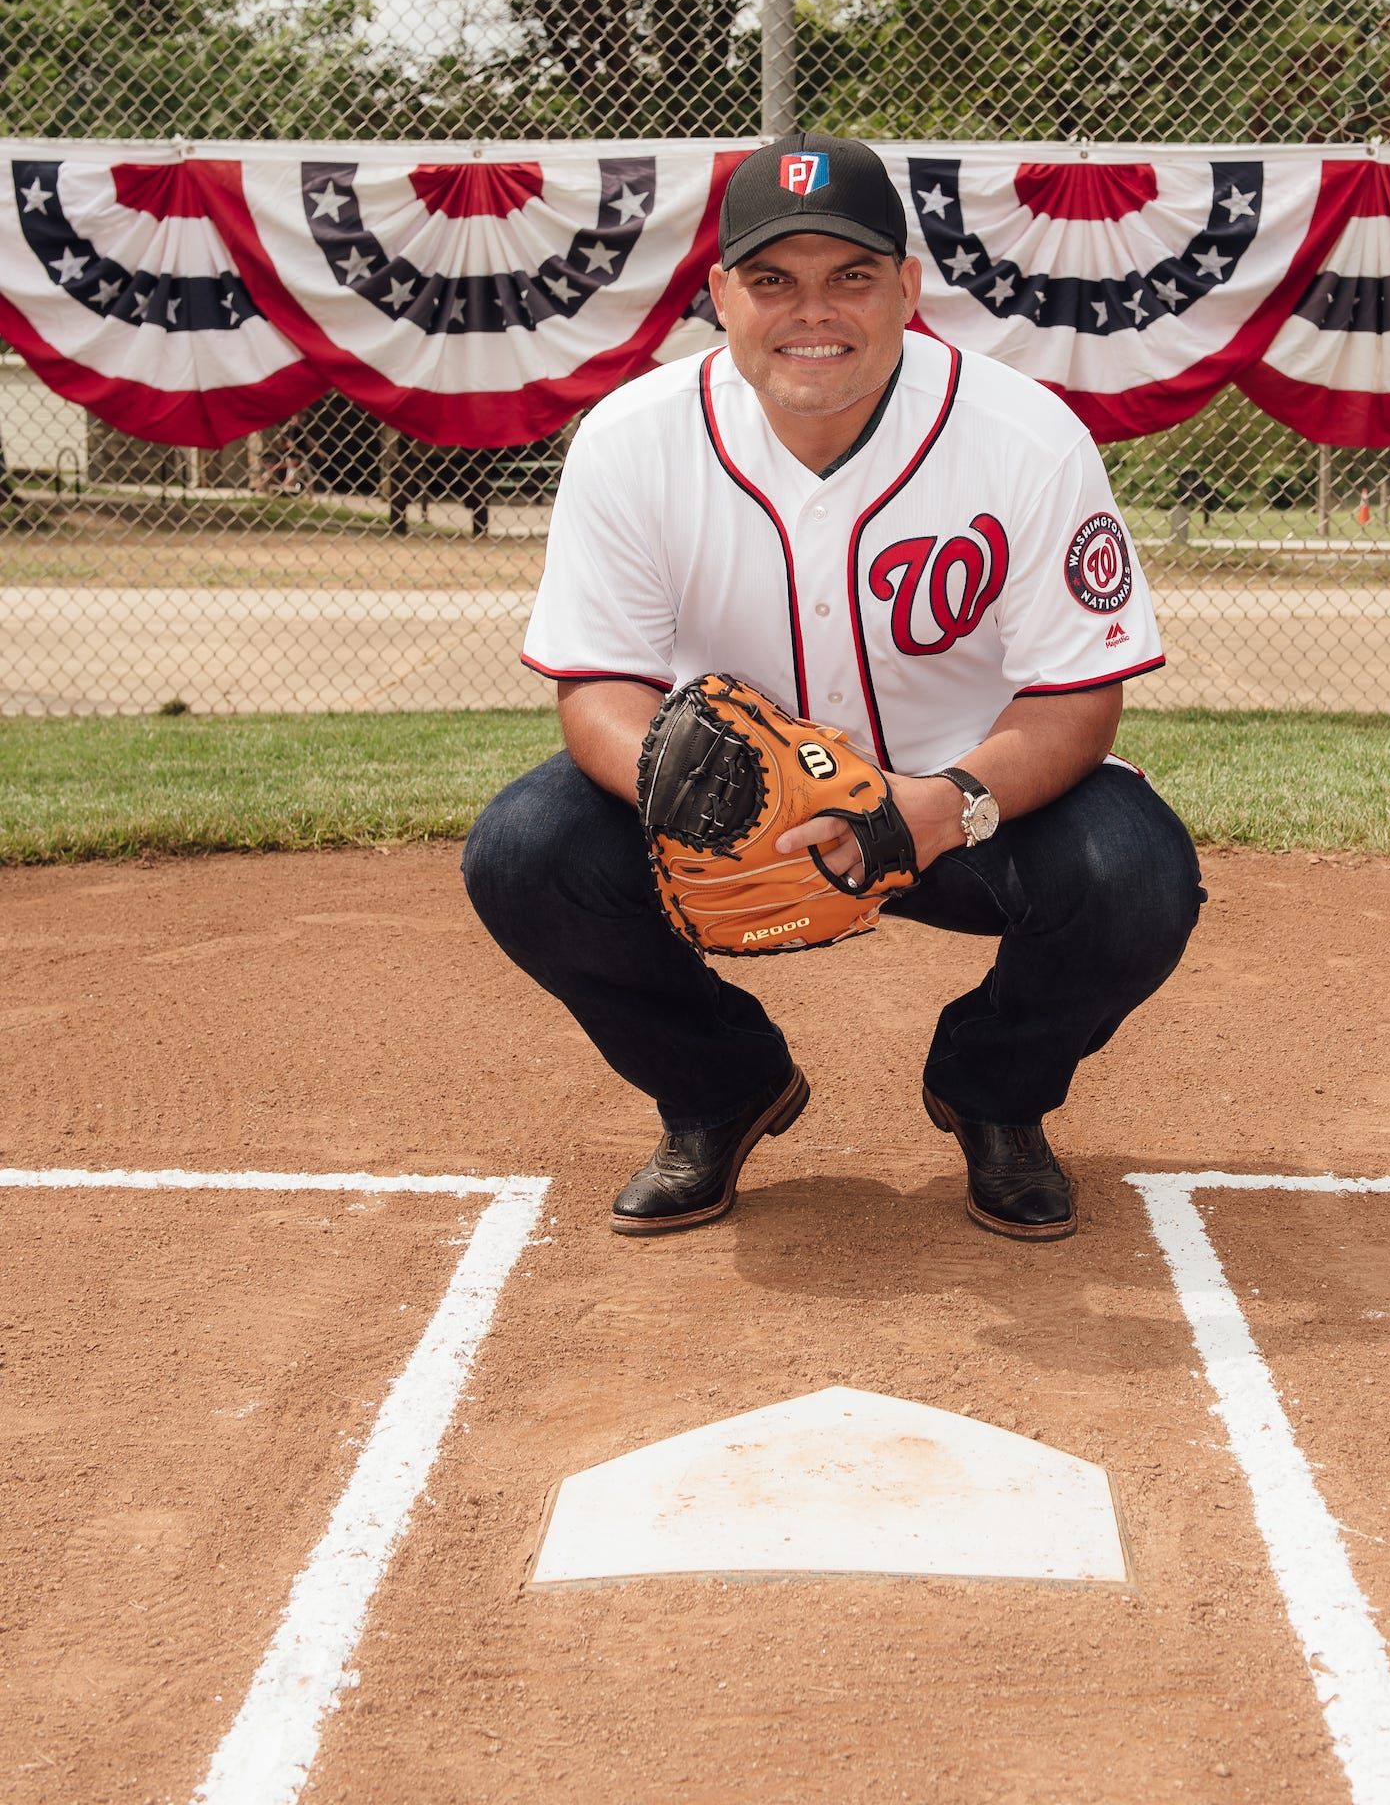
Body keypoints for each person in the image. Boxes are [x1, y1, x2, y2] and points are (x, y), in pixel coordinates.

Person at [463, 134, 1203, 1242]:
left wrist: (934, 808)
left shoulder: (1025, 439)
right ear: (721, 296)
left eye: (850, 276)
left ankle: (993, 1094)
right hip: (733, 819)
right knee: (525, 853)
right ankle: (719, 1089)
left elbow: (1075, 702)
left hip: (966, 807)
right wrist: (681, 789)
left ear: (907, 288)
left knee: (1134, 875)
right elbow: (598, 687)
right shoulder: (632, 440)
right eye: (773, 281)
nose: (813, 310)